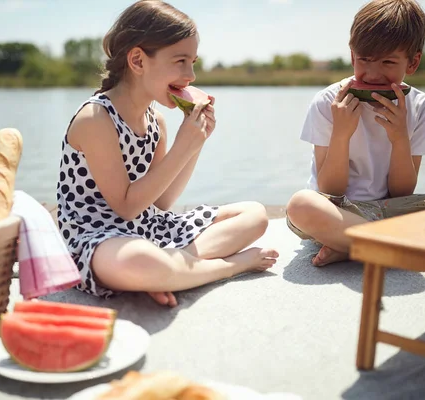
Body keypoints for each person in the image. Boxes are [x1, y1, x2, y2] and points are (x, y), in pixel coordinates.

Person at [57, 0, 278, 307]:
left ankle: (171, 269)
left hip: (149, 230)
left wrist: (196, 142)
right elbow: (126, 207)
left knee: (255, 215)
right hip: (99, 239)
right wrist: (182, 146)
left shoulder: (155, 119)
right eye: (180, 61)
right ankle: (227, 267)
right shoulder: (96, 119)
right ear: (137, 60)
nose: (191, 75)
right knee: (137, 260)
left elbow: (161, 201)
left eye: (193, 62)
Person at [286, 0, 425, 267]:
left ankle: (354, 245)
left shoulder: (421, 106)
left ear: (413, 62)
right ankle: (383, 243)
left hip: (393, 209)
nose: (372, 73)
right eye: (364, 60)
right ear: (351, 56)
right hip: (337, 211)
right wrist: (341, 135)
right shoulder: (327, 103)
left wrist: (399, 138)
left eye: (388, 62)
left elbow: (402, 191)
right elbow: (328, 189)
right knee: (301, 205)